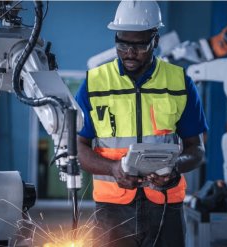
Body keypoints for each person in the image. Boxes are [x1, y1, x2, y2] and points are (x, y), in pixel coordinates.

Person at [75, 1, 208, 247]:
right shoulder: (94, 84)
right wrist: (113, 168)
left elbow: (197, 149)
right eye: (122, 44)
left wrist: (175, 168)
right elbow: (78, 148)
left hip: (166, 207)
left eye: (139, 45)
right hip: (112, 210)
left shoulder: (179, 83)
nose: (129, 52)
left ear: (155, 40)